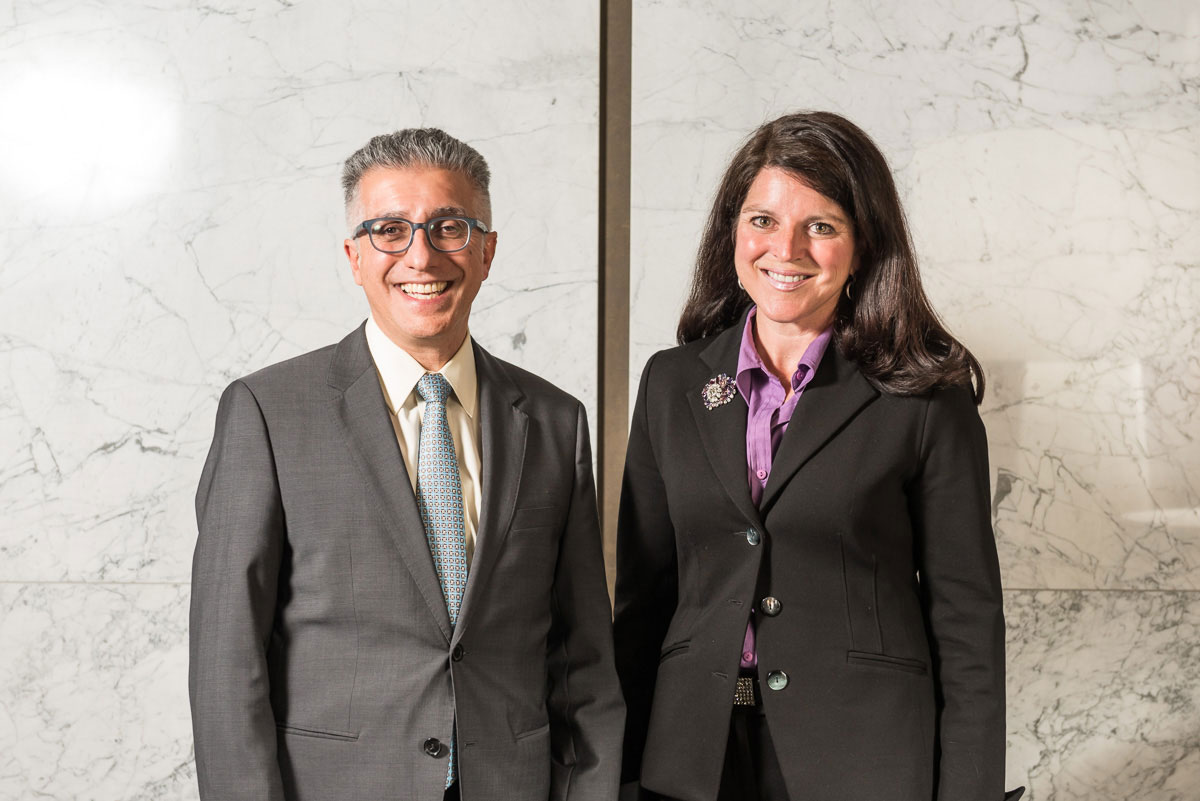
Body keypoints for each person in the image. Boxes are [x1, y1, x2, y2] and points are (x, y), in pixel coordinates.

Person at [189, 128, 624, 801]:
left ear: (487, 251)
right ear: (354, 255)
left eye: (449, 226)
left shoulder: (554, 421)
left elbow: (584, 662)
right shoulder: (268, 413)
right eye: (390, 229)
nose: (421, 254)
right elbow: (226, 663)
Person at [613, 112, 1022, 801]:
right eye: (763, 221)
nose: (787, 247)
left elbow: (967, 621)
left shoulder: (925, 396)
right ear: (733, 234)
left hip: (863, 757)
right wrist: (618, 772)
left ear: (862, 246)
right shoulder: (671, 383)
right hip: (690, 762)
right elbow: (645, 602)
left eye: (822, 226)